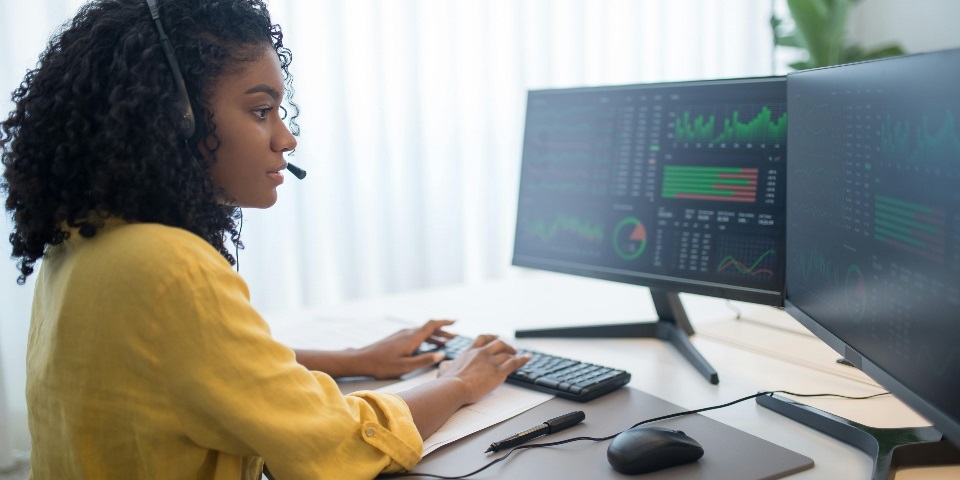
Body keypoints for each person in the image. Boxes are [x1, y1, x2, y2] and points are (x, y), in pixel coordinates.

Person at [0, 0, 530, 478]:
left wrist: (356, 358)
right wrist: (461, 382)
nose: (286, 137)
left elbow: (206, 369)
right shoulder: (168, 265)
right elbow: (336, 442)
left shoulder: (88, 237)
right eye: (260, 111)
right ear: (175, 120)